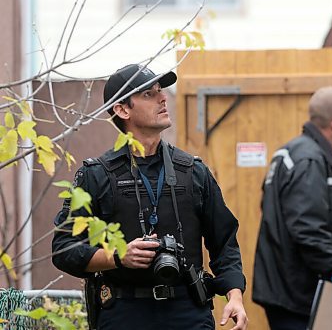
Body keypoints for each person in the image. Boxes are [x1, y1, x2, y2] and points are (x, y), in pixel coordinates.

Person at [52, 64, 248, 330]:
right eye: (148, 94)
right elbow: (64, 249)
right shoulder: (95, 176)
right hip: (124, 313)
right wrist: (117, 257)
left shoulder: (193, 171)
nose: (163, 98)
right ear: (122, 109)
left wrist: (234, 295)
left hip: (188, 312)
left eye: (161, 91)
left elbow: (224, 242)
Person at [252, 86, 332, 330]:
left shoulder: (292, 153)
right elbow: (305, 224)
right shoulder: (309, 160)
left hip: (293, 291)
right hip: (298, 294)